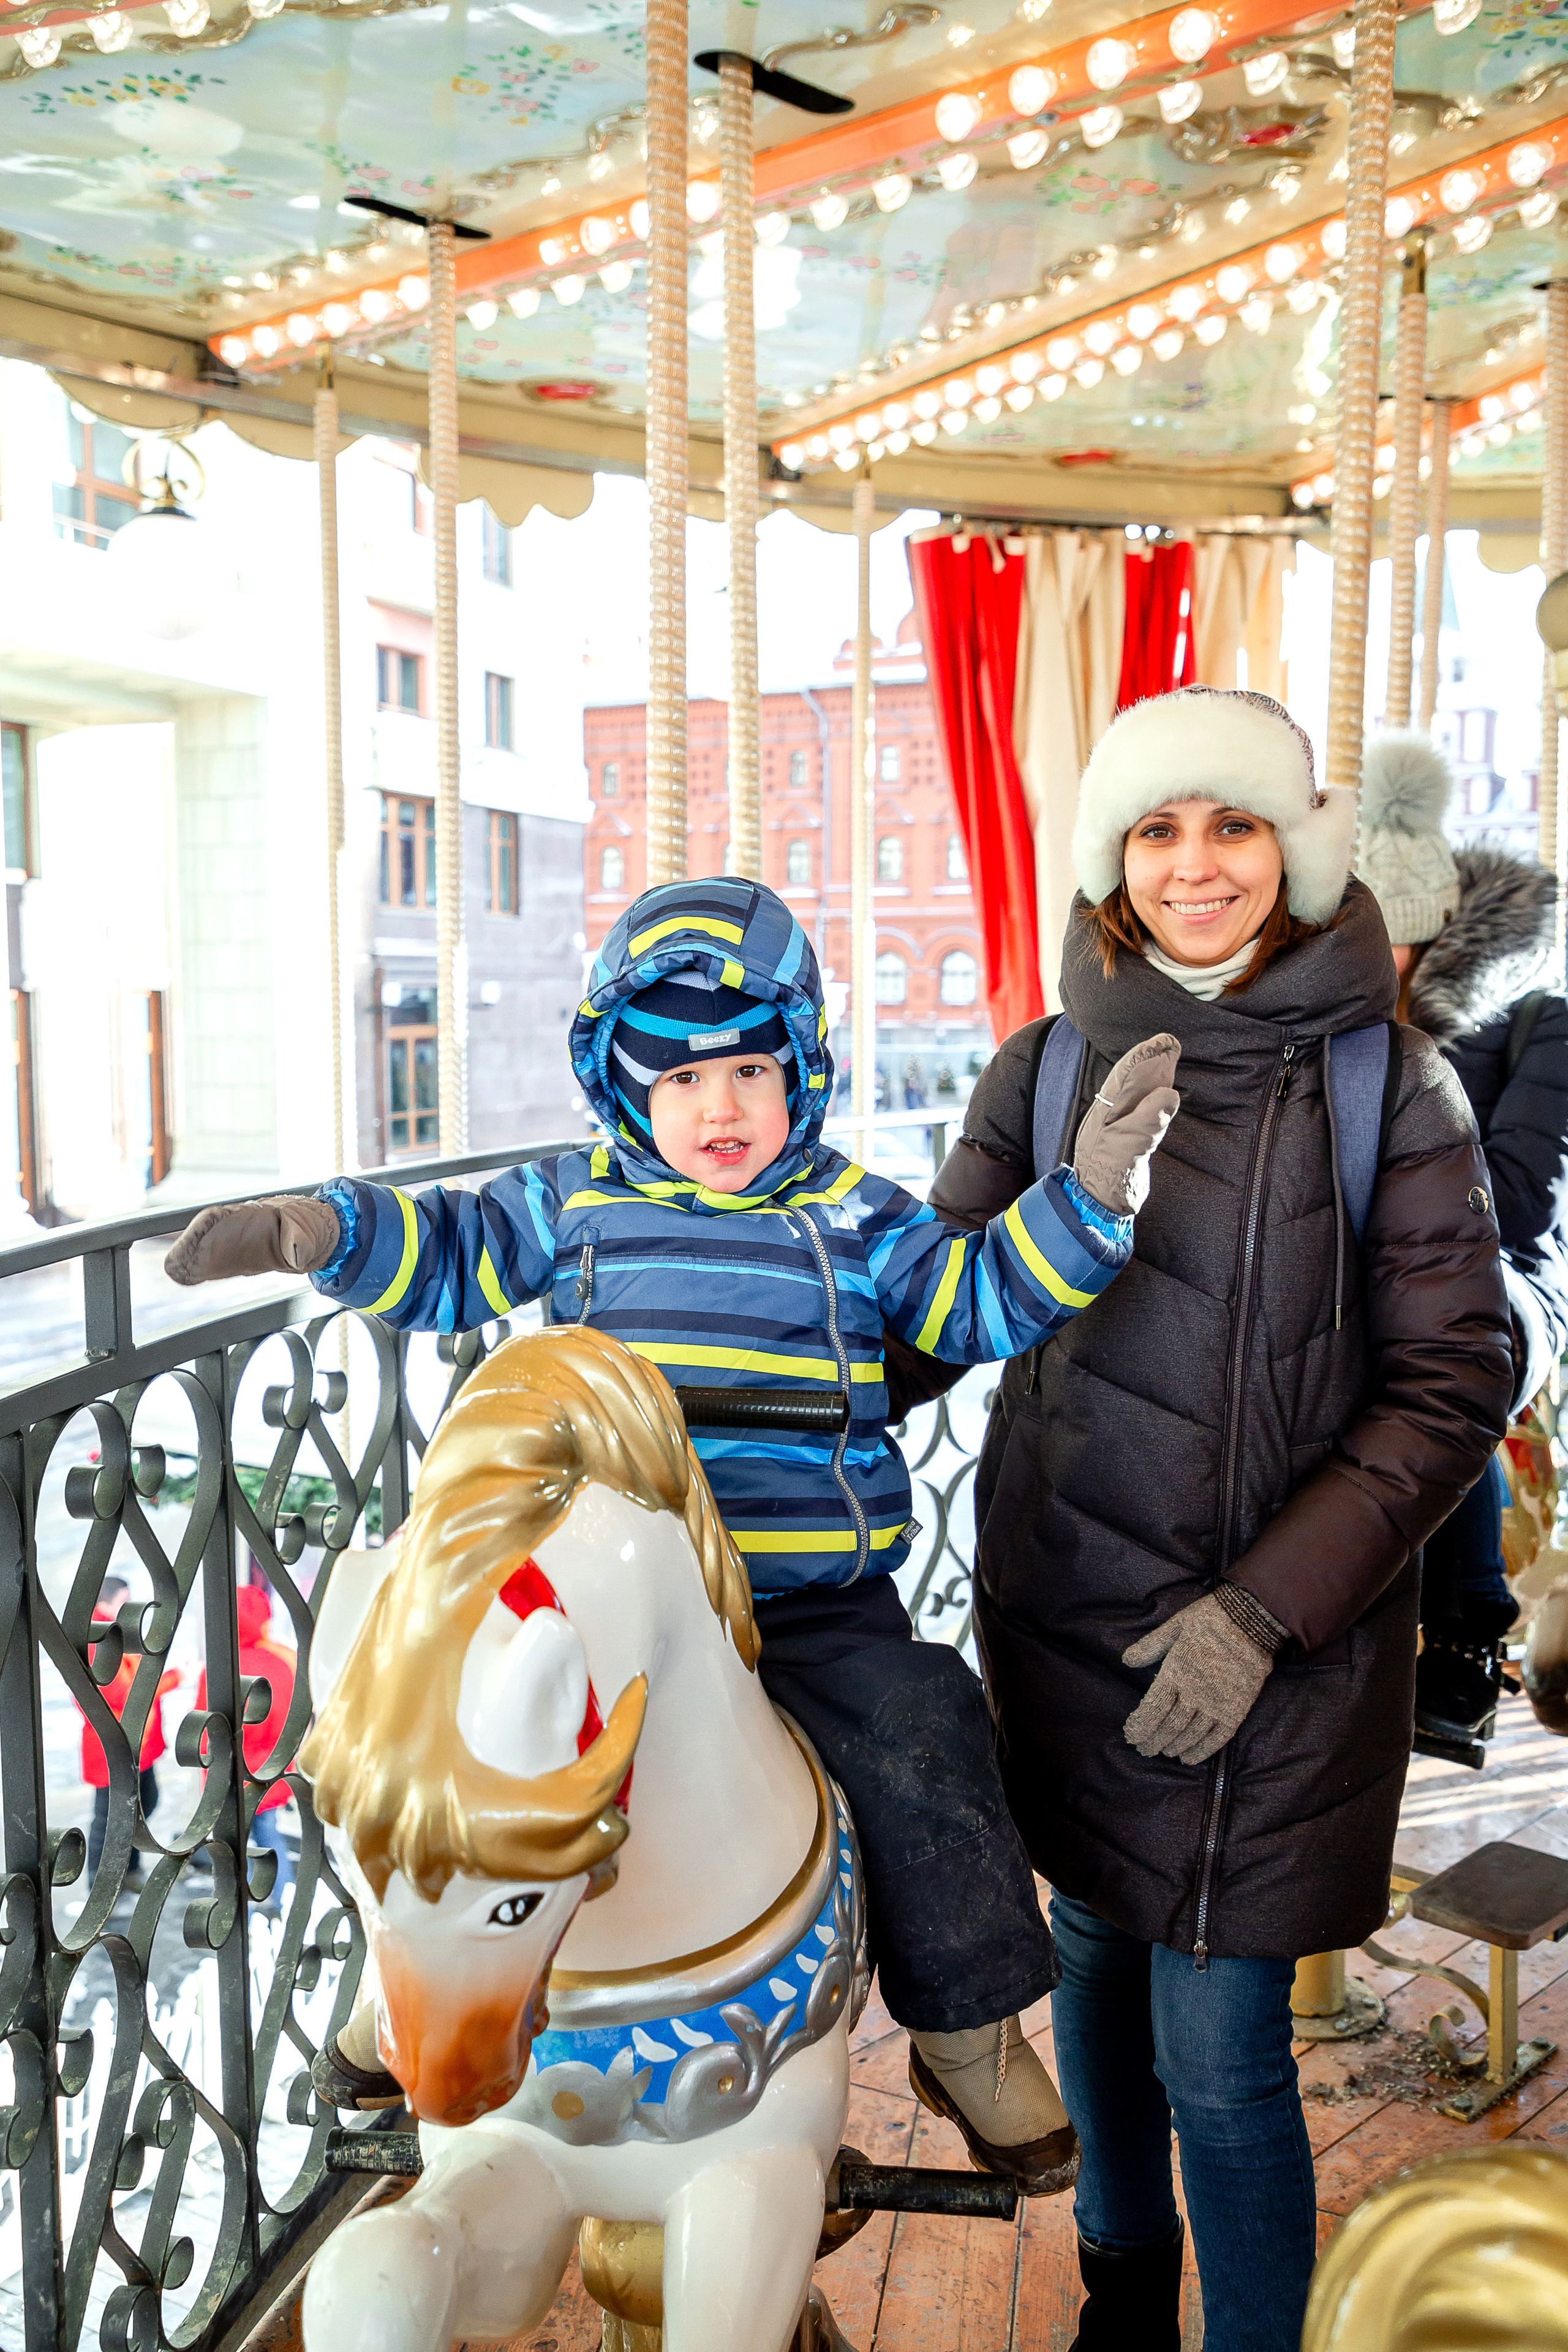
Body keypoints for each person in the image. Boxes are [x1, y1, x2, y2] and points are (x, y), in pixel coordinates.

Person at [162, 876, 1180, 2188]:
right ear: (623, 1087)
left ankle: (963, 2023)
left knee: (928, 1731)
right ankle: (398, 1988)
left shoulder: (854, 1215)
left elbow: (972, 1302)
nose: (719, 1111)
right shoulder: (575, 1199)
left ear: (799, 1073)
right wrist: (323, 1229)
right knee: (444, 1724)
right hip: (603, 1593)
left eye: (750, 1073)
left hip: (809, 1597)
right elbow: (455, 1245)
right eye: (681, 1081)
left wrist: (1085, 1197)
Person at [923, 687, 1511, 2352]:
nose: (1198, 867)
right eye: (1161, 830)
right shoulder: (1041, 1068)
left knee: (1224, 2054)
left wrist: (1267, 1609)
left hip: (1285, 1649)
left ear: (1294, 844)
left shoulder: (1387, 1086)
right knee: (1097, 1966)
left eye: (1234, 824)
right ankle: (1125, 2293)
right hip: (1073, 1618)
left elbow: (1455, 1377)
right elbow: (936, 1311)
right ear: (1114, 857)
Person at [1361, 730, 1568, 1756]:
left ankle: (1468, 1629)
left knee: (1442, 1330)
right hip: (1377, 1273)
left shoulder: (1533, 1023)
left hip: (1505, 1283)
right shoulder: (1326, 1028)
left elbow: (1522, 1202)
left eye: (1396, 936)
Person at [196, 1580, 299, 1909]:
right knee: (269, 1839)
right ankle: (277, 1903)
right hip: (271, 1772)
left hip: (229, 1780)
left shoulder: (219, 1670)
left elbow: (203, 1734)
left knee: (231, 1848)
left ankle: (235, 1911)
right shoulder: (284, 1661)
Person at [79, 1575, 178, 1890]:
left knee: (143, 1803)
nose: (130, 1607)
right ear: (104, 1605)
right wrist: (176, 1677)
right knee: (109, 1816)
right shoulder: (99, 1639)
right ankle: (100, 1881)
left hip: (136, 1741)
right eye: (123, 1600)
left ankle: (129, 1869)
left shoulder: (117, 1634)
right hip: (114, 1744)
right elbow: (126, 1692)